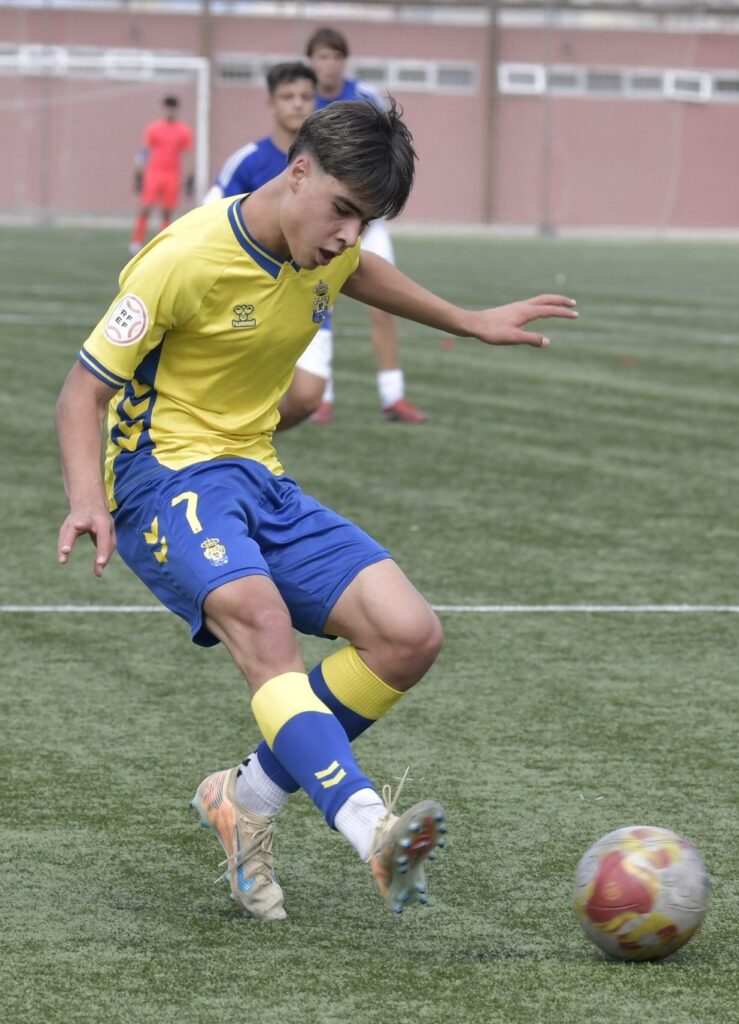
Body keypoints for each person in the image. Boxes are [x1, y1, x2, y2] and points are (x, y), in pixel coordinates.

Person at [56, 99, 578, 923]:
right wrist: (89, 499)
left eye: (364, 221)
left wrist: (468, 321)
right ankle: (373, 832)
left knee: (409, 634)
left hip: (259, 475)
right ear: (296, 172)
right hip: (166, 479)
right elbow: (81, 391)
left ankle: (245, 799)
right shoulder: (182, 258)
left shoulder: (327, 245)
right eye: (341, 210)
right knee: (265, 625)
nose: (347, 237)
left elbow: (355, 272)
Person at [305, 25, 427, 425]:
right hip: (321, 224)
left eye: (335, 56)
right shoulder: (304, 102)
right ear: (311, 61)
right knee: (317, 304)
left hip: (368, 222)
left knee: (384, 303)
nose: (329, 64)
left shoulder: (364, 97)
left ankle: (393, 396)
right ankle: (320, 397)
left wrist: (370, 216)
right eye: (322, 56)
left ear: (345, 61)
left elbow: (390, 155)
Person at [202, 61, 328, 430]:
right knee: (228, 391)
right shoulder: (248, 161)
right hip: (247, 295)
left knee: (307, 398)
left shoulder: (330, 165)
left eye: (305, 96)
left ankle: (247, 437)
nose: (297, 103)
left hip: (308, 293)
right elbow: (209, 219)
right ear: (270, 102)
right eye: (288, 96)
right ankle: (227, 443)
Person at [130, 95, 194, 255]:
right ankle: (136, 242)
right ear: (164, 109)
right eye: (167, 109)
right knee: (145, 208)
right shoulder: (154, 128)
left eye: (172, 109)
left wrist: (190, 178)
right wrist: (138, 174)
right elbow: (144, 151)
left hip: (172, 176)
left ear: (176, 110)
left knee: (167, 211)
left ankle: (164, 244)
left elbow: (189, 154)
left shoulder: (184, 131)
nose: (170, 112)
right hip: (153, 174)